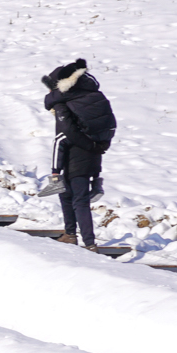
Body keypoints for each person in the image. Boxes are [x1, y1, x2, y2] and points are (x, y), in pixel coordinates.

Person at [41, 58, 117, 248]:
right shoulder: (92, 96)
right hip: (94, 154)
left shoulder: (63, 105)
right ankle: (70, 234)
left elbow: (61, 137)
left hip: (75, 157)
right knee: (67, 195)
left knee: (78, 200)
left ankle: (88, 243)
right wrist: (95, 147)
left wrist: (55, 171)